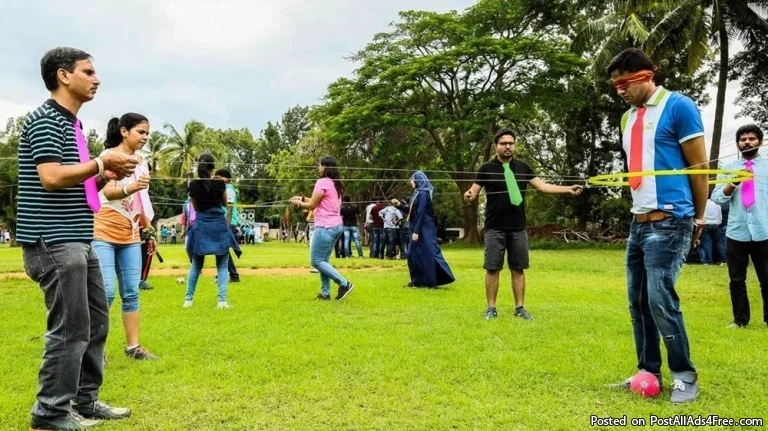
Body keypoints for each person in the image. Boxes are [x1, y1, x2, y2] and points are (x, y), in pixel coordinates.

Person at [18, 46, 136, 430]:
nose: (96, 79)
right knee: (70, 328)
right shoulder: (45, 121)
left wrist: (102, 177)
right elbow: (51, 177)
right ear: (64, 75)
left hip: (79, 237)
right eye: (88, 71)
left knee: (96, 323)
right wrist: (101, 162)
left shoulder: (73, 126)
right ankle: (50, 412)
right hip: (54, 240)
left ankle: (85, 401)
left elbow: (76, 186)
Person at [605, 48, 706, 403]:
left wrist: (698, 217)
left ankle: (684, 377)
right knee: (638, 301)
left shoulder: (679, 106)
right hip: (639, 222)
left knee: (661, 299)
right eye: (616, 85)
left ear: (647, 75)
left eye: (625, 82)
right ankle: (648, 371)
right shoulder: (627, 118)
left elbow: (699, 169)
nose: (620, 90)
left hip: (671, 220)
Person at [464, 128, 582, 322]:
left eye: (511, 143)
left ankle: (520, 308)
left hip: (518, 227)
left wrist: (567, 189)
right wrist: (469, 196)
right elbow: (473, 192)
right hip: (494, 227)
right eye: (503, 143)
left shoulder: (523, 167)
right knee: (492, 268)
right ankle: (491, 308)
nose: (508, 146)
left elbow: (543, 186)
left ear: (515, 145)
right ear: (496, 146)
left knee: (518, 268)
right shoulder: (486, 168)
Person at [93, 113, 158, 361]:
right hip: (104, 229)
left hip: (130, 232)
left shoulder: (142, 162)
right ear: (124, 131)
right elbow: (108, 191)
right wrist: (132, 186)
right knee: (106, 292)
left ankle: (133, 348)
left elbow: (142, 200)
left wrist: (148, 232)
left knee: (131, 291)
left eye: (147, 133)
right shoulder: (109, 157)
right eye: (140, 132)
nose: (145, 137)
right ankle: (95, 351)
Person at [712, 124, 768, 329]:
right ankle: (740, 320)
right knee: (736, 279)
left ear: (760, 141)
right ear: (738, 144)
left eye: (751, 138)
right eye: (743, 139)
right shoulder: (728, 168)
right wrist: (733, 182)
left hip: (764, 230)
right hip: (737, 232)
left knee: (767, 279)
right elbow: (717, 199)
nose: (747, 142)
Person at [290, 156, 354, 300]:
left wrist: (298, 203)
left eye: (319, 165)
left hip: (325, 226)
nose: (318, 168)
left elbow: (312, 205)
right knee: (323, 261)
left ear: (325, 166)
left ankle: (344, 284)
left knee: (316, 261)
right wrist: (302, 199)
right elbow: (319, 201)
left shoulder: (322, 182)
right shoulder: (335, 184)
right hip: (336, 226)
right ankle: (325, 294)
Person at [184, 154, 241, 308]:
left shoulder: (193, 185)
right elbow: (224, 203)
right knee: (222, 265)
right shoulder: (219, 184)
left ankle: (188, 300)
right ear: (212, 167)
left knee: (196, 265)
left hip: (201, 225)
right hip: (218, 225)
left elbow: (196, 207)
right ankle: (222, 301)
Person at [399, 171, 455, 288]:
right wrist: (398, 205)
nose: (411, 182)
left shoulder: (423, 194)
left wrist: (416, 231)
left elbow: (421, 212)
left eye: (412, 180)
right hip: (415, 225)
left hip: (424, 227)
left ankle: (431, 281)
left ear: (417, 180)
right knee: (412, 254)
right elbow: (411, 211)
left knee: (428, 253)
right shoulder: (416, 193)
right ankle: (417, 280)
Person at [214, 169, 241, 282]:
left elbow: (229, 209)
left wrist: (226, 226)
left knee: (222, 249)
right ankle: (225, 275)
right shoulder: (223, 189)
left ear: (226, 178)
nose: (217, 180)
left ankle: (233, 275)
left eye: (218, 177)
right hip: (223, 222)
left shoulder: (229, 189)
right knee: (220, 249)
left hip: (227, 222)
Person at [696, 198, 723, 265]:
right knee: (718, 243)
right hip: (716, 224)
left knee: (706, 243)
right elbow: (720, 215)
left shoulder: (703, 203)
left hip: (705, 223)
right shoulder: (717, 203)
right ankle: (721, 259)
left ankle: (708, 260)